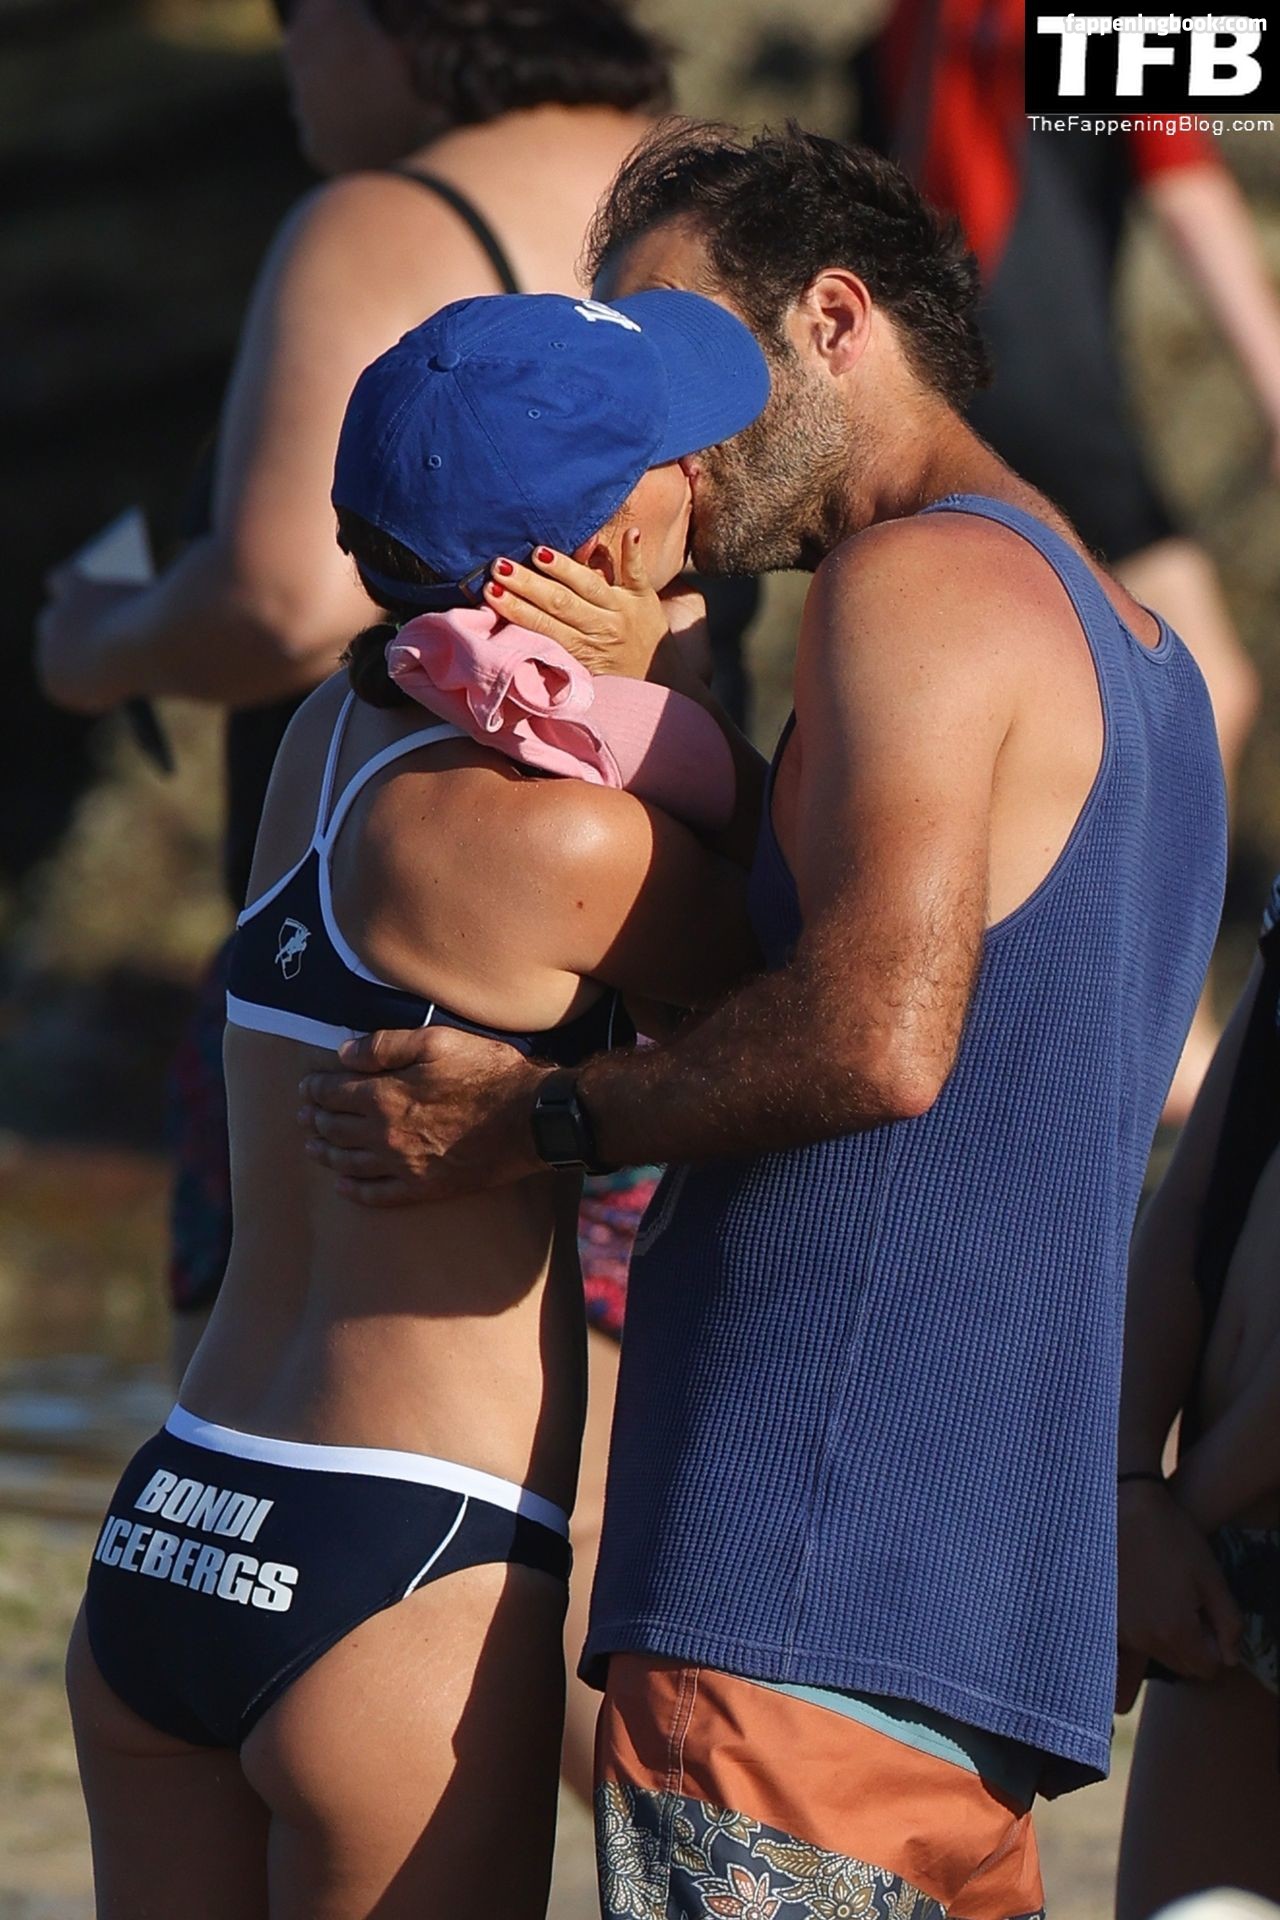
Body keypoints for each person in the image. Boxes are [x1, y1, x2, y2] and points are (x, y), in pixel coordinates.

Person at [298, 121, 1228, 1920]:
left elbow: (877, 1034)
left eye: (682, 352)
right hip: (984, 1640)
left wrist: (527, 1122)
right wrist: (668, 715)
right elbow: (969, 1021)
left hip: (795, 1574)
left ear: (834, 320)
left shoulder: (912, 584)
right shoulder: (1142, 659)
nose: (658, 436)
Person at [34, 0, 712, 1796]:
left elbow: (283, 607)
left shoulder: (335, 742)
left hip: (184, 1513)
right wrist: (664, 696)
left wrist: (97, 642)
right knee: (614, 1627)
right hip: (409, 1542)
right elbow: (812, 986)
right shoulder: (565, 848)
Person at [856, 0, 1280, 1120]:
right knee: (1199, 681)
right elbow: (1182, 183)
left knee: (1144, 685)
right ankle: (1140, 1036)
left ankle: (1079, 1012)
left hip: (965, 362)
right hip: (1034, 369)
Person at [1114, 867, 1280, 1918]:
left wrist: (1174, 1511)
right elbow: (1193, 1195)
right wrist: (1131, 1486)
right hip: (1227, 1565)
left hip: (1214, 1526)